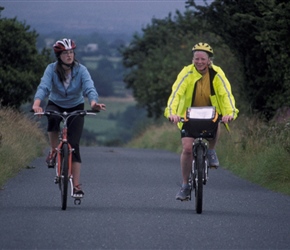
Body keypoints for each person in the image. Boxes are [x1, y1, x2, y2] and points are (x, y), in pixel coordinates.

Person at [164, 42, 239, 201]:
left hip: (210, 111)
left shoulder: (216, 73)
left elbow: (226, 94)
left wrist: (229, 113)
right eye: (196, 58)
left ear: (209, 60)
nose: (199, 62)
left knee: (217, 119)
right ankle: (185, 185)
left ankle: (211, 150)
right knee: (187, 149)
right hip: (189, 113)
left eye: (203, 59)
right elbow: (176, 93)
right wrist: (172, 112)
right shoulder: (186, 72)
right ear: (193, 59)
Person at [32, 38, 106, 196]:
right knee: (51, 117)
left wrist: (93, 103)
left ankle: (77, 185)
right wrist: (36, 104)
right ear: (59, 55)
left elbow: (89, 87)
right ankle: (53, 151)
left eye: (71, 52)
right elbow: (43, 87)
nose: (69, 56)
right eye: (65, 53)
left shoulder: (81, 70)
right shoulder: (51, 69)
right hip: (56, 103)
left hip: (75, 106)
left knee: (74, 145)